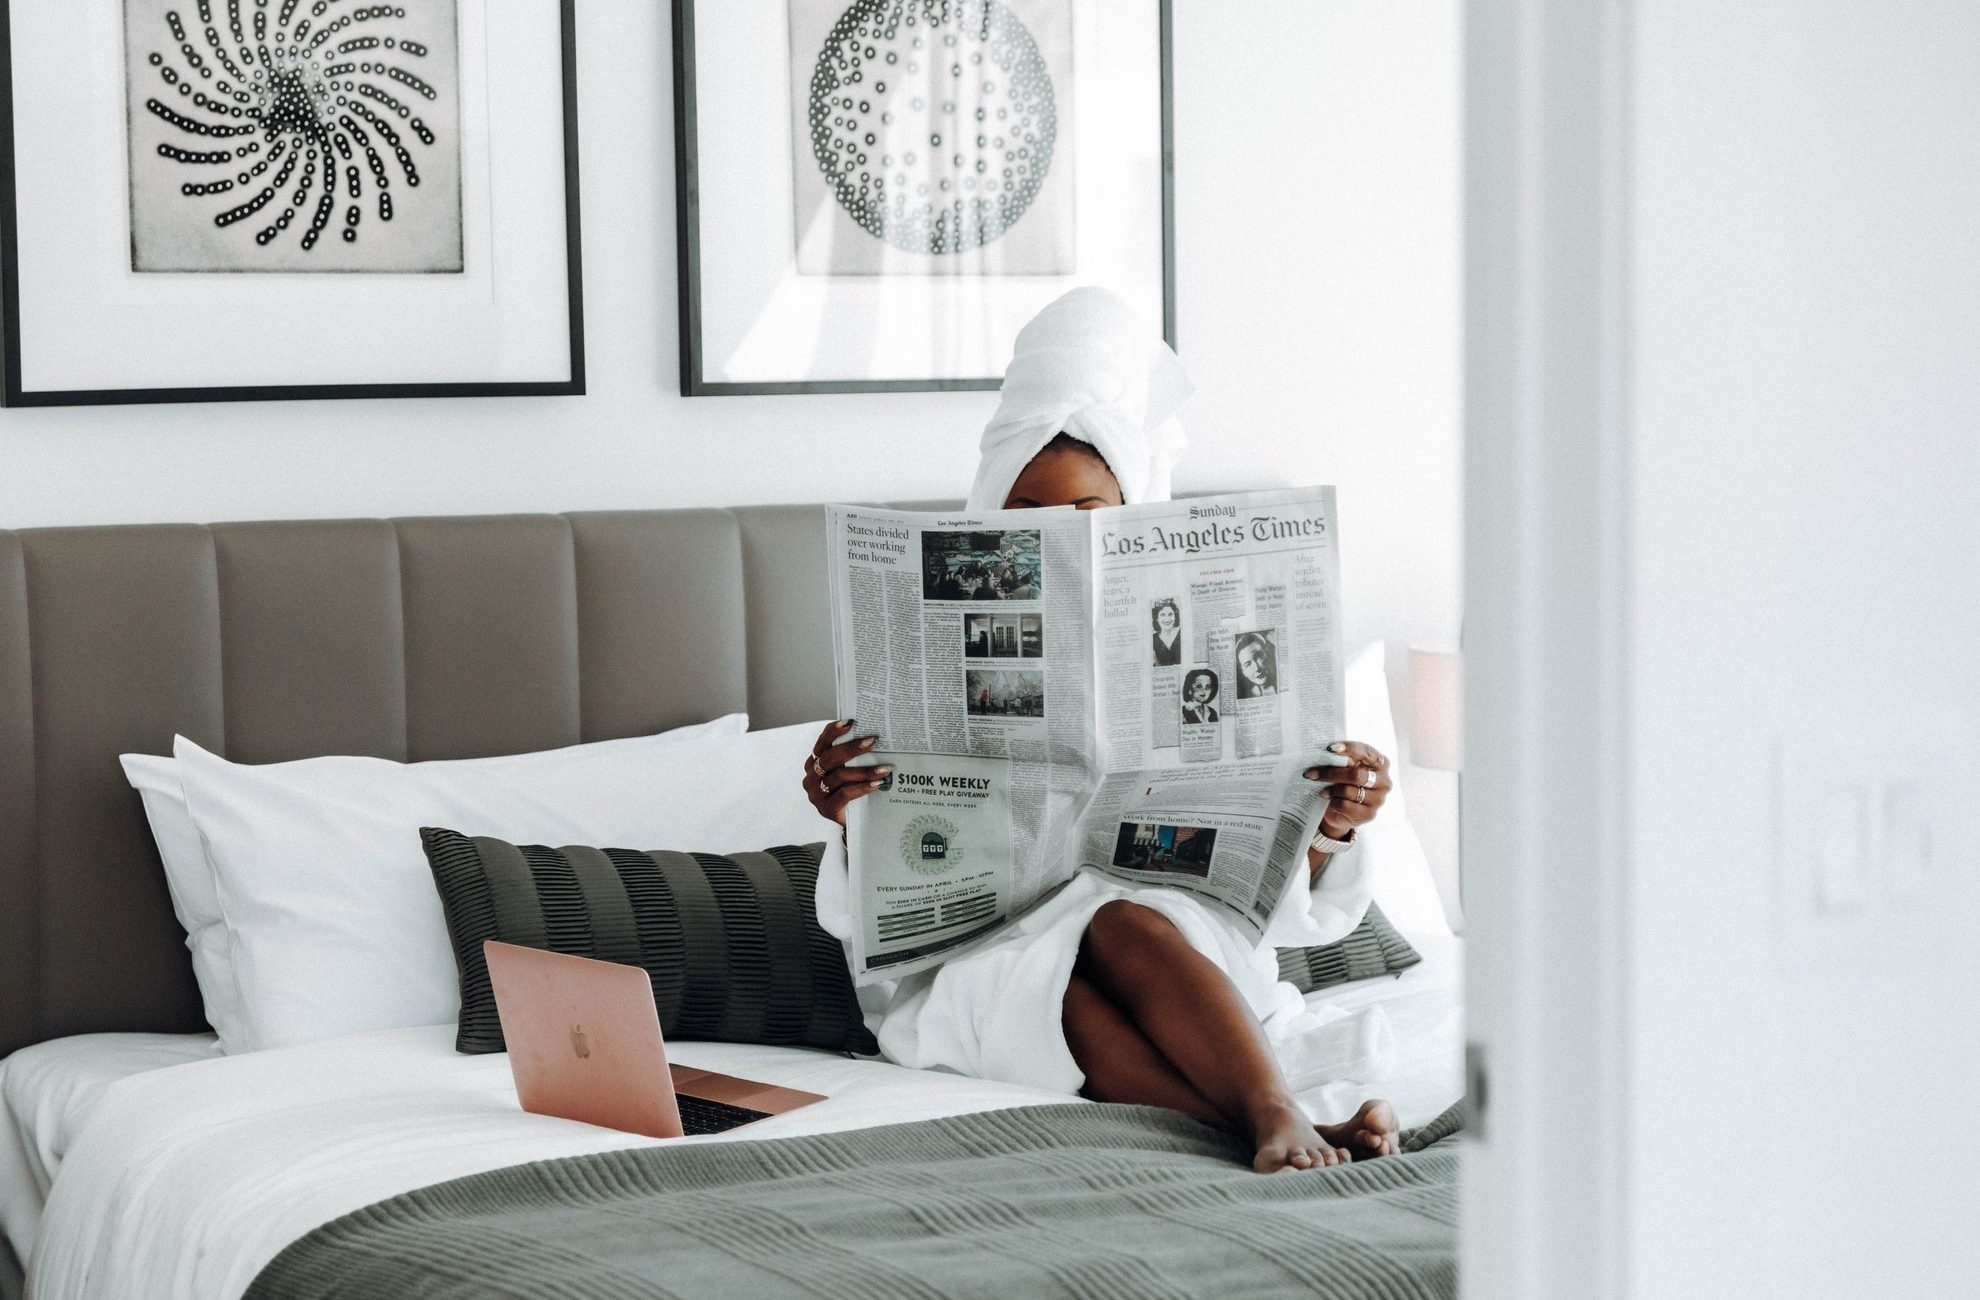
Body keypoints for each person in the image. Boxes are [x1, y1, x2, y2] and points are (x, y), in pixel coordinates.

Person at [802, 287, 1399, 1173]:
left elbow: (1281, 905)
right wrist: (848, 814)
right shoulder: (924, 648)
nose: (1059, 535)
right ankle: (1278, 1118)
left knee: (1117, 923)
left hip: (1168, 939)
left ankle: (1272, 1112)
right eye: (1030, 512)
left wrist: (1336, 823)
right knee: (1051, 989)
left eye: (1088, 513)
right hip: (981, 957)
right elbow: (888, 894)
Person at [1235, 632, 1278, 699]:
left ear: (1267, 653)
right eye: (1247, 665)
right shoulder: (1247, 696)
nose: (1256, 668)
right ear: (1244, 673)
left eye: (1258, 656)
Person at [1151, 599, 1183, 666]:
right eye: (1162, 615)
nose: (1167, 619)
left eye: (1170, 614)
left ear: (1175, 616)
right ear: (1157, 618)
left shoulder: (1182, 633)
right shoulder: (1153, 639)